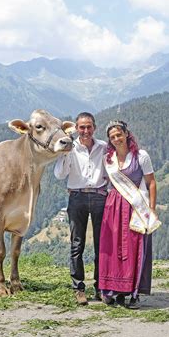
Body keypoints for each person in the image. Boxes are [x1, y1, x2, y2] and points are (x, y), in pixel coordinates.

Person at [98, 120, 159, 309]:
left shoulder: (141, 156)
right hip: (114, 206)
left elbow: (152, 183)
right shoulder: (109, 159)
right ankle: (114, 291)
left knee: (134, 249)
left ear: (126, 134)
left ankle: (133, 293)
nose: (117, 139)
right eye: (112, 137)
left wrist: (151, 209)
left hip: (135, 208)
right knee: (113, 249)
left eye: (119, 135)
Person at [54, 112, 108, 305]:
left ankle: (101, 287)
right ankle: (79, 289)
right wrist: (65, 153)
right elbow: (60, 175)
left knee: (102, 246)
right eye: (82, 127)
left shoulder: (103, 147)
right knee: (77, 244)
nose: (85, 131)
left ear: (94, 127)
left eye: (89, 127)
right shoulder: (71, 147)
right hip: (77, 197)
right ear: (76, 129)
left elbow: (112, 171)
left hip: (100, 196)